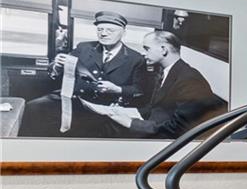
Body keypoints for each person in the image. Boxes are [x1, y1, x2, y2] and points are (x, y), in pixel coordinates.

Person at [17, 10, 149, 136]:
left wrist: (117, 89)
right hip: (77, 100)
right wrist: (56, 65)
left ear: (123, 33)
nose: (104, 34)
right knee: (33, 108)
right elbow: (55, 70)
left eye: (110, 30)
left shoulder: (136, 59)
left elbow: (140, 90)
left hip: (106, 106)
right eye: (100, 30)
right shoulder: (84, 48)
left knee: (92, 129)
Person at [78, 30, 226, 139]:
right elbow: (155, 107)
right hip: (157, 127)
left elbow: (179, 128)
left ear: (163, 50)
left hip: (170, 139)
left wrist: (131, 123)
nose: (144, 54)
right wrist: (125, 112)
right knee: (105, 125)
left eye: (147, 49)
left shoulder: (189, 79)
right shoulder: (167, 72)